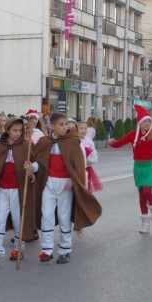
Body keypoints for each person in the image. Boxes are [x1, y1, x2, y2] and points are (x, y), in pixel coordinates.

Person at [35, 112, 102, 264]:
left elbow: (79, 164)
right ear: (52, 126)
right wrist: (31, 168)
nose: (65, 127)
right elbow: (39, 162)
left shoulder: (72, 141)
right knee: (46, 214)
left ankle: (65, 249)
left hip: (65, 183)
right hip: (49, 182)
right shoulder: (44, 141)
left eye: (66, 124)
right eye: (61, 124)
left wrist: (74, 179)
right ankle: (46, 249)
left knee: (64, 217)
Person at [0, 118, 37, 263]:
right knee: (0, 218)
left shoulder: (26, 146)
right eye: (15, 130)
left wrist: (31, 170)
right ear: (7, 130)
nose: (17, 133)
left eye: (20, 130)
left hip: (18, 190)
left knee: (17, 219)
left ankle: (18, 249)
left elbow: (35, 164)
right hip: (2, 188)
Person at [108, 105, 152, 234]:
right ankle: (145, 222)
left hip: (151, 166)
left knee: (147, 190)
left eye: (149, 121)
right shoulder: (133, 135)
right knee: (141, 194)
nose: (147, 124)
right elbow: (120, 143)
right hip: (138, 166)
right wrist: (111, 143)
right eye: (144, 121)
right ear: (139, 123)